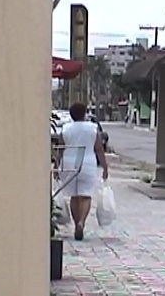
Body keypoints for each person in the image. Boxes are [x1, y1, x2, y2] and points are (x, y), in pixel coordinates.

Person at [59, 102, 109, 240]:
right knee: (86, 195)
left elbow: (61, 148)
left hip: (69, 161)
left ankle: (76, 224)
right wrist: (105, 166)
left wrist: (58, 166)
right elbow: (99, 148)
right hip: (87, 162)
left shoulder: (66, 128)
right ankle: (82, 222)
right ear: (85, 113)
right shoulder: (92, 128)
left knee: (74, 196)